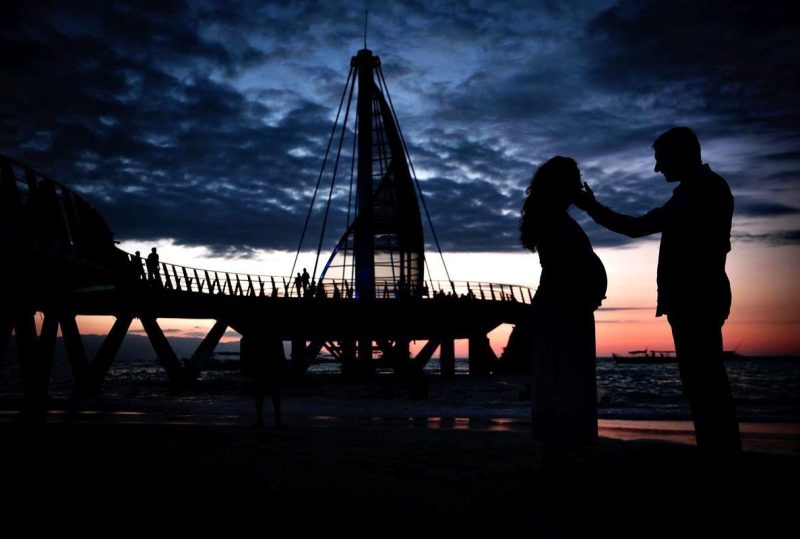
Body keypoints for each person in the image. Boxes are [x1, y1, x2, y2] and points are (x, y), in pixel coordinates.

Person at [575, 127, 741, 455]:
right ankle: (718, 454)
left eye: (661, 160)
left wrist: (591, 207)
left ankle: (720, 457)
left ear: (680, 155)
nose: (657, 168)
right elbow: (639, 226)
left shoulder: (702, 190)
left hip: (697, 299)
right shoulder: (695, 191)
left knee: (704, 384)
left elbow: (638, 227)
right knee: (703, 383)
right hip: (696, 298)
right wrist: (592, 207)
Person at [521, 156, 607, 471]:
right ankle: (555, 452)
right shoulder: (554, 220)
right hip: (563, 304)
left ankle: (556, 450)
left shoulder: (552, 217)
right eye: (575, 179)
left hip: (562, 303)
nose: (580, 183)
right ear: (564, 185)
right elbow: (566, 265)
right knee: (562, 375)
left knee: (561, 374)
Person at [240, 333, 285, 429]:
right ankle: (277, 421)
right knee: (274, 395)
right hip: (271, 368)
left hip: (260, 368)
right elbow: (280, 352)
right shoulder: (274, 337)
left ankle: (260, 421)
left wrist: (245, 368)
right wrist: (282, 366)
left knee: (260, 395)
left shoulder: (253, 337)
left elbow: (245, 347)